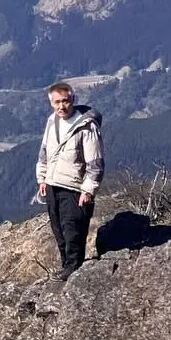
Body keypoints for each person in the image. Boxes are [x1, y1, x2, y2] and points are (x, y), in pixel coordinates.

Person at [35, 81, 104, 279]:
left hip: (74, 187)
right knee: (58, 229)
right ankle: (66, 265)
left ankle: (74, 267)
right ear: (51, 103)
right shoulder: (52, 122)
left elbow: (95, 163)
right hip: (52, 185)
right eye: (57, 102)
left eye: (65, 101)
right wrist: (42, 178)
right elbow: (44, 153)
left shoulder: (86, 126)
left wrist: (88, 190)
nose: (61, 106)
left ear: (72, 99)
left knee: (72, 229)